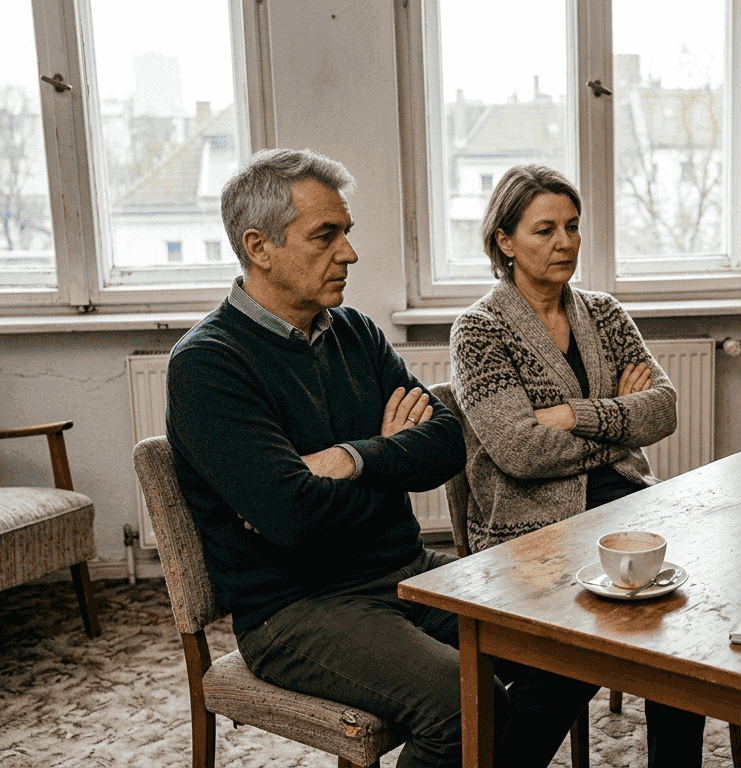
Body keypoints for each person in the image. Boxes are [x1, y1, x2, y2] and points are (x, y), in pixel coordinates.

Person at [166, 148, 597, 768]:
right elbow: (293, 517)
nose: (350, 252)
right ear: (259, 247)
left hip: (405, 570)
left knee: (573, 644)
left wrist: (350, 458)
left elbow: (447, 442)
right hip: (297, 608)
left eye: (347, 232)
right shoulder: (208, 364)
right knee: (463, 703)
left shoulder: (355, 332)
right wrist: (393, 454)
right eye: (326, 235)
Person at [449, 164, 704, 768]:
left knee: (690, 644)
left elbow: (663, 409)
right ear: (504, 241)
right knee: (569, 666)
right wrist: (616, 420)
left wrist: (571, 414)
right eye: (544, 230)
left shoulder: (605, 312)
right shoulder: (479, 331)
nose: (565, 242)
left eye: (572, 226)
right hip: (531, 538)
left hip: (630, 510)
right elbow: (517, 450)